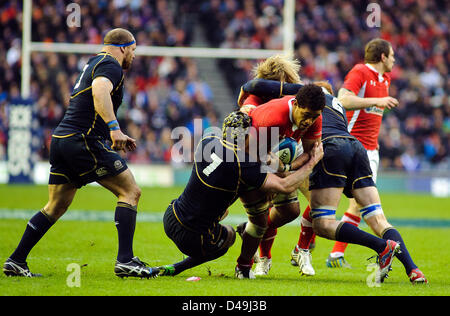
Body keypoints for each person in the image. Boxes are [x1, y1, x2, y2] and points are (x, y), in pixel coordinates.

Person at [3, 28, 157, 279]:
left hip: (62, 139)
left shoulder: (93, 62)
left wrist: (112, 132)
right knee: (130, 191)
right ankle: (126, 261)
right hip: (83, 140)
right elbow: (99, 92)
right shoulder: (111, 65)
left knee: (56, 206)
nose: (133, 56)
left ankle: (16, 260)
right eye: (133, 50)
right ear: (122, 48)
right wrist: (114, 129)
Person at [245, 78, 427, 284]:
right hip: (356, 148)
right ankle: (413, 270)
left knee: (322, 223)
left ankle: (381, 247)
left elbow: (256, 86)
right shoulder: (334, 103)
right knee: (378, 219)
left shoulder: (304, 101)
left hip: (329, 148)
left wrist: (246, 96)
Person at [150, 111, 323, 278]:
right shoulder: (242, 164)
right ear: (246, 137)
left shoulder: (207, 140)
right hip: (194, 238)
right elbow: (284, 185)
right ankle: (187, 268)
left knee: (216, 207)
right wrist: (311, 163)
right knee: (229, 235)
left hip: (171, 216)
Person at [235, 83, 325, 277]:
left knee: (290, 211)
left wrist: (286, 168)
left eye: (314, 116)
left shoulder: (315, 118)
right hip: (245, 160)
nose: (309, 121)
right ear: (297, 104)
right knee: (259, 217)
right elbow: (252, 153)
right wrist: (274, 177)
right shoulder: (274, 118)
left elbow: (310, 152)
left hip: (276, 159)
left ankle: (251, 233)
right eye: (307, 115)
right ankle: (248, 263)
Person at [326, 38, 400, 269]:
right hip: (351, 146)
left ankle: (336, 255)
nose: (395, 59)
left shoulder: (385, 79)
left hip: (371, 150)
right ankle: (308, 246)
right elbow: (343, 99)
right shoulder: (360, 71)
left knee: (356, 204)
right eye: (392, 55)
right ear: (382, 57)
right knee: (331, 198)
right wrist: (378, 99)